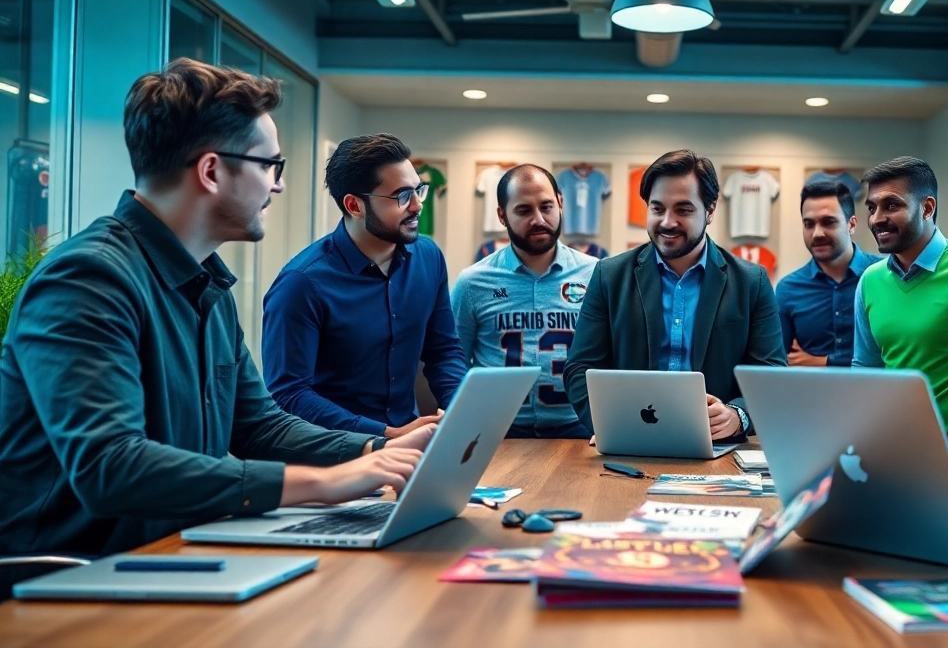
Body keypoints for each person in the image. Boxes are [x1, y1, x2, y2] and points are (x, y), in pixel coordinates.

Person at [0, 60, 430, 594]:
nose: (278, 185)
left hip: (171, 557)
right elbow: (111, 465)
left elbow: (259, 426)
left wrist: (375, 454)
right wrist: (322, 483)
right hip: (69, 581)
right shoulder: (87, 280)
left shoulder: (207, 284)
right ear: (211, 171)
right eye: (270, 165)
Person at [564, 149, 786, 440]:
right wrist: (608, 424)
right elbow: (579, 369)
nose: (668, 222)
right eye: (657, 209)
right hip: (629, 441)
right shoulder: (609, 275)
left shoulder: (751, 282)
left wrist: (737, 415)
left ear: (710, 210)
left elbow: (772, 374)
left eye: (683, 210)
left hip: (717, 447)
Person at [262, 134, 467, 437]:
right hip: (335, 452)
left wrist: (460, 412)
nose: (417, 205)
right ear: (354, 205)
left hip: (413, 442)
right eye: (402, 196)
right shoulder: (301, 284)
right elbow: (289, 395)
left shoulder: (429, 257)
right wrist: (386, 435)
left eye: (418, 190)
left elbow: (443, 350)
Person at [852, 157, 948, 448]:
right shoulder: (870, 280)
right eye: (872, 207)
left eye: (891, 205)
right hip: (895, 442)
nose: (877, 218)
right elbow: (866, 370)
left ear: (927, 208)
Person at [452, 164, 598, 439]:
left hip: (579, 428)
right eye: (523, 210)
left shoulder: (596, 274)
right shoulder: (473, 283)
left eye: (546, 207)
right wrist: (463, 421)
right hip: (496, 430)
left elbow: (612, 358)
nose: (538, 219)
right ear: (502, 215)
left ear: (560, 203)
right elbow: (453, 361)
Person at [775, 180, 883, 367]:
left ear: (851, 224)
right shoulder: (788, 289)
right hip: (808, 387)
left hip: (877, 387)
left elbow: (895, 352)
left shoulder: (885, 275)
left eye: (828, 222)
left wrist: (825, 362)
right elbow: (779, 362)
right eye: (808, 224)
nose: (817, 233)